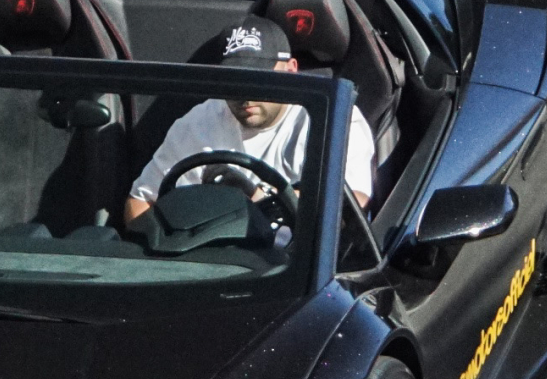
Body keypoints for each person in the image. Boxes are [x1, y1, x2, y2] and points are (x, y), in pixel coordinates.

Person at [125, 18, 374, 225]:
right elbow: (140, 202)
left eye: (258, 80)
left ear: (290, 70)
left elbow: (350, 202)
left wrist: (259, 200)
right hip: (206, 260)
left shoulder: (332, 119)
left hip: (295, 267)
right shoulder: (199, 122)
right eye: (234, 81)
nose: (244, 94)